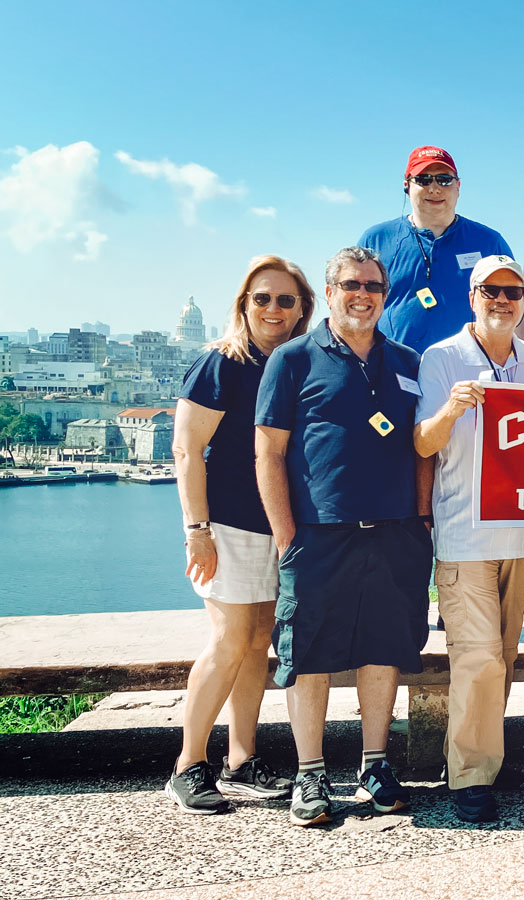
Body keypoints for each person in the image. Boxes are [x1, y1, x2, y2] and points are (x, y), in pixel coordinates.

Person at [255, 247, 432, 827]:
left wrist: (423, 517)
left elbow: (422, 445)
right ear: (329, 292)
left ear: (386, 295)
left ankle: (375, 764)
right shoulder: (292, 359)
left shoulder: (407, 360)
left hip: (395, 533)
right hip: (318, 535)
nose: (364, 295)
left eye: (375, 287)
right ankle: (310, 774)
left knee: (383, 648)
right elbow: (269, 453)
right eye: (352, 284)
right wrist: (286, 535)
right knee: (307, 654)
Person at [165, 255, 314, 813]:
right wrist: (196, 529)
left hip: (278, 525)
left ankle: (242, 757)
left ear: (302, 309)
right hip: (226, 522)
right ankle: (188, 764)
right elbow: (186, 450)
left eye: (284, 300)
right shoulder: (220, 363)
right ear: (243, 305)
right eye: (261, 299)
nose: (272, 309)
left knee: (258, 644)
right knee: (229, 641)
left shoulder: (298, 364)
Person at [414, 255, 524, 823]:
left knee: (504, 658)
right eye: (491, 290)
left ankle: (484, 760)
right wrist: (452, 407)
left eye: (513, 292)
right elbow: (423, 443)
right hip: (464, 537)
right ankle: (469, 776)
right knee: (476, 660)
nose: (503, 300)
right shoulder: (442, 357)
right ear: (472, 297)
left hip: (519, 537)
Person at [362, 146, 515, 355]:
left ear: (458, 186)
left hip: (470, 370)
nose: (434, 188)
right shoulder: (376, 239)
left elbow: (515, 308)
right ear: (406, 186)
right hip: (393, 371)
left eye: (444, 179)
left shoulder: (489, 242)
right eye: (424, 180)